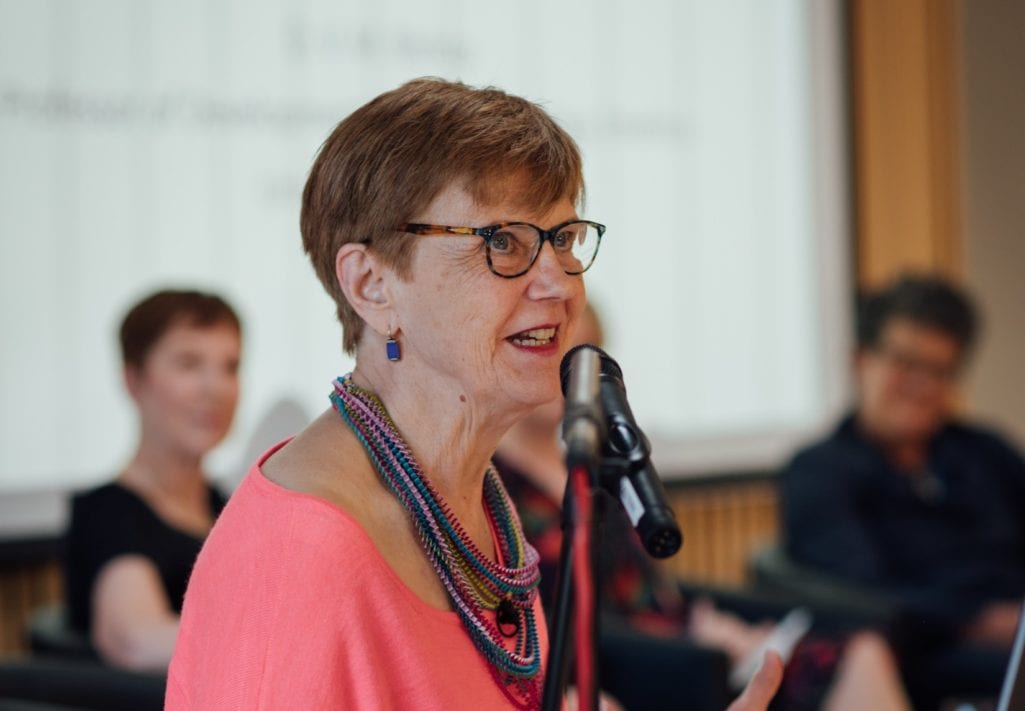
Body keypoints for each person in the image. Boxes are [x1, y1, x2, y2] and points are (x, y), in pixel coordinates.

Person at [166, 78, 782, 710]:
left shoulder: (475, 499)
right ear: (373, 285)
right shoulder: (296, 555)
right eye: (502, 242)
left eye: (564, 240)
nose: (561, 286)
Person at [497, 304, 911, 711]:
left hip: (679, 635)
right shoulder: (494, 485)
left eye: (580, 355)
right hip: (638, 662)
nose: (565, 372)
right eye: (551, 346)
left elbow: (646, 582)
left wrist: (706, 622)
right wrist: (696, 638)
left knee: (862, 648)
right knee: (852, 661)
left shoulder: (595, 466)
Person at [781, 274, 1025, 708]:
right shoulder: (819, 472)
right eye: (905, 363)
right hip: (924, 657)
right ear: (861, 359)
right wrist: (979, 621)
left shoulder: (987, 453)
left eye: (939, 370)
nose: (920, 386)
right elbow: (863, 600)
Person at [64, 289, 242, 671]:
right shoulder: (108, 511)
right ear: (134, 380)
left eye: (230, 367)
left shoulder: (231, 508)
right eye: (189, 364)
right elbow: (135, 639)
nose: (216, 388)